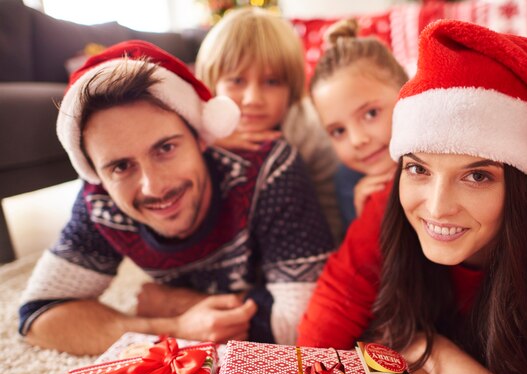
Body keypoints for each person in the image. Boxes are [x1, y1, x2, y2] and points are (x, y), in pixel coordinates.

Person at [298, 20, 527, 374]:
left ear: (526, 183)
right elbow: (318, 345)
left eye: (477, 176)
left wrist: (451, 370)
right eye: (419, 169)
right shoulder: (387, 201)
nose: (437, 207)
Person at [18, 40, 335, 356]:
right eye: (121, 166)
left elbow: (304, 325)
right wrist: (175, 327)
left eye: (166, 148)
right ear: (97, 175)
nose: (153, 187)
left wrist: (171, 301)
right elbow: (38, 315)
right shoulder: (100, 200)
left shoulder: (270, 168)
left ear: (200, 137)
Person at [194, 7, 342, 242]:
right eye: (237, 80)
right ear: (213, 83)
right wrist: (208, 142)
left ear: (291, 87)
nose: (253, 99)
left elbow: (330, 216)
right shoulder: (196, 125)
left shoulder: (311, 133)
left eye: (271, 82)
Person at [308, 19, 409, 231]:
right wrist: (367, 222)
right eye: (338, 131)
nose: (357, 140)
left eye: (370, 114)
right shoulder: (349, 182)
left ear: (407, 92)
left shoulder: (442, 149)